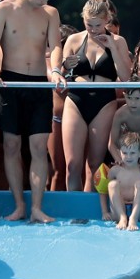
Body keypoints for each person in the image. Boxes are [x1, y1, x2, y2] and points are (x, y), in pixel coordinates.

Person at [0, 0, 65, 223]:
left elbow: (56, 47)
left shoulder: (50, 13)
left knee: (39, 147)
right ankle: (19, 204)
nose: (44, 2)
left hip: (39, 84)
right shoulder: (4, 9)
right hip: (11, 82)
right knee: (11, 145)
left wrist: (55, 71)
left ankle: (37, 208)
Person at [59, 0, 132, 192]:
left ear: (107, 20)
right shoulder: (74, 40)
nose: (92, 30)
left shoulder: (119, 41)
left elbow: (126, 79)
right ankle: (74, 211)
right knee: (72, 164)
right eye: (88, 24)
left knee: (95, 164)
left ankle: (91, 211)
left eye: (97, 25)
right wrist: (65, 66)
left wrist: (112, 49)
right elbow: (60, 75)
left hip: (104, 102)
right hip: (76, 99)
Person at [101, 132, 140, 231]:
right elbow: (102, 189)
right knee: (112, 184)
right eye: (124, 153)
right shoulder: (115, 170)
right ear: (119, 152)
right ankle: (123, 218)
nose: (128, 157)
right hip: (117, 212)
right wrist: (104, 211)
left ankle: (133, 218)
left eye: (132, 153)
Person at [49, 24, 79, 191]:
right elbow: (56, 82)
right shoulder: (49, 63)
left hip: (78, 119)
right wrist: (65, 67)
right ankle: (53, 210)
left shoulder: (80, 63)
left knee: (78, 168)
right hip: (57, 120)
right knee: (59, 170)